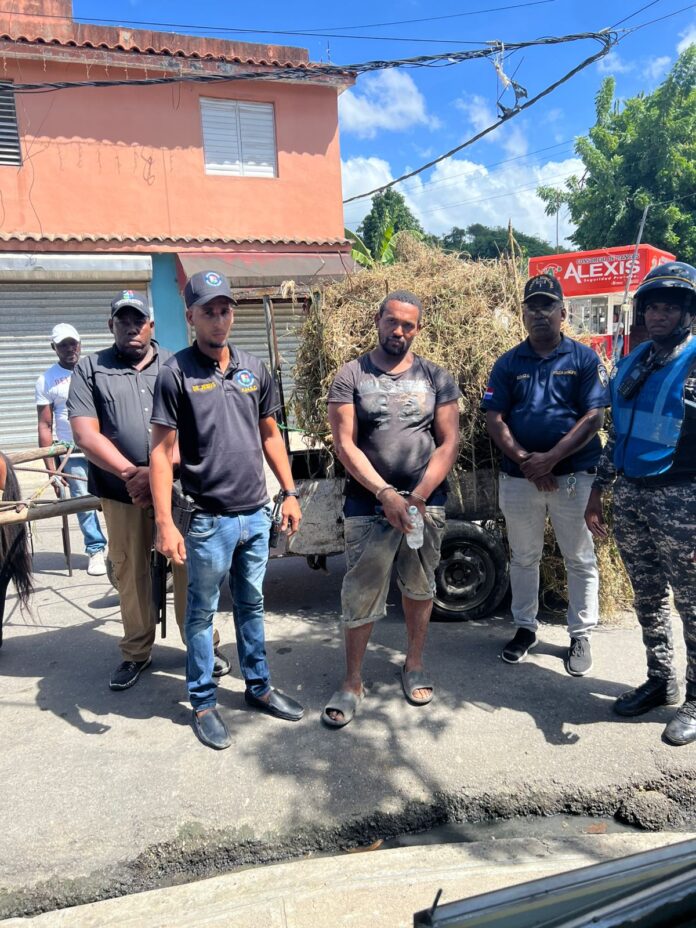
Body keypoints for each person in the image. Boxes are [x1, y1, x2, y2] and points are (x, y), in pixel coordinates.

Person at [150, 270, 304, 751]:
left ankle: (259, 687)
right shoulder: (175, 373)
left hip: (255, 514)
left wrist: (290, 491)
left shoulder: (253, 368)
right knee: (201, 613)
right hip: (207, 519)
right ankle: (202, 702)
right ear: (191, 317)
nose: (219, 320)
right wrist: (164, 522)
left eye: (225, 310)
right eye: (209, 312)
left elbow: (270, 434)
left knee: (252, 603)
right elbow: (161, 452)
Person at [67, 290, 230, 691]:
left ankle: (201, 645)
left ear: (151, 325)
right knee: (130, 570)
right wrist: (131, 473)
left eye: (138, 320)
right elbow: (85, 434)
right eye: (123, 321)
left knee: (191, 567)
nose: (131, 327)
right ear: (111, 326)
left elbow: (201, 429)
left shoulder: (178, 364)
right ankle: (136, 652)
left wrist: (159, 469)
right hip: (121, 490)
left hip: (180, 488)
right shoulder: (90, 369)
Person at [322, 290, 460, 728]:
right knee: (360, 591)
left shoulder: (436, 377)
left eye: (408, 325)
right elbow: (344, 444)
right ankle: (352, 681)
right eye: (392, 321)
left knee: (419, 587)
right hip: (368, 504)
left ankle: (413, 664)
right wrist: (385, 493)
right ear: (378, 321)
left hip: (424, 504)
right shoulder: (351, 375)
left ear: (418, 329)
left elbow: (449, 443)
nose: (398, 331)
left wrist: (416, 496)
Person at [585, 261, 696, 746]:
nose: (659, 315)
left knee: (693, 604)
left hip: (683, 500)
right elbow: (618, 434)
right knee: (647, 596)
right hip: (631, 494)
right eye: (652, 307)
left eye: (670, 307)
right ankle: (660, 679)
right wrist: (597, 491)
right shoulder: (633, 362)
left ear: (688, 312)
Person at [483, 273, 610, 676]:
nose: (540, 314)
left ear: (563, 312)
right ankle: (525, 628)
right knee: (524, 556)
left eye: (548, 306)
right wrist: (527, 460)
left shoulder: (584, 359)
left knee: (579, 557)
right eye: (532, 307)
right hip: (520, 478)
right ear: (523, 314)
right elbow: (494, 418)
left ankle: (580, 634)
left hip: (573, 477)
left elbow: (594, 417)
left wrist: (551, 459)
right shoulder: (508, 363)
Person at [35, 324, 107, 576]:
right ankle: (96, 549)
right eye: (63, 345)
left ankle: (124, 546)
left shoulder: (96, 369)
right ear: (53, 347)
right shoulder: (47, 380)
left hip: (102, 444)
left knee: (114, 496)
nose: (69, 349)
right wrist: (52, 471)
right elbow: (45, 425)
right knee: (82, 499)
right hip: (71, 452)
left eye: (73, 343)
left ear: (80, 344)